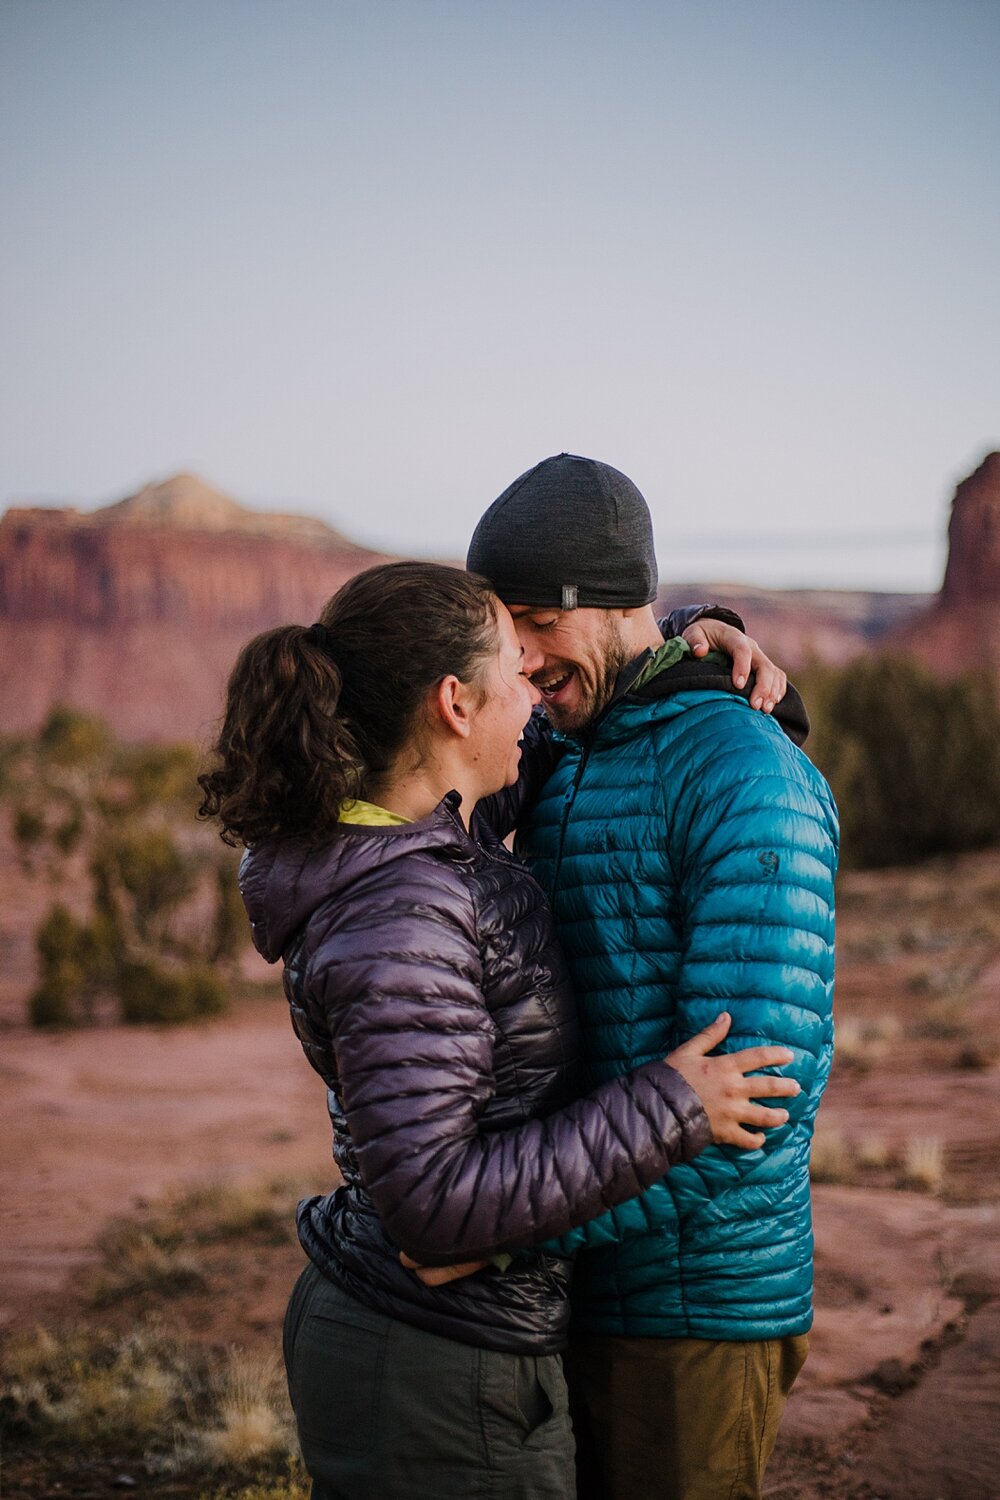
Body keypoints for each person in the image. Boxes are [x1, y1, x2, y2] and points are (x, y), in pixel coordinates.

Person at [197, 560, 801, 1500]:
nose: (532, 681)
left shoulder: (427, 828)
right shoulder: (403, 909)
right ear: (453, 704)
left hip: (456, 1350)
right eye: (511, 666)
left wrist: (682, 638)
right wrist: (671, 1106)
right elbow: (433, 1210)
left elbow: (573, 719)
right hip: (436, 1364)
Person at [465, 454, 839, 1500]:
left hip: (690, 1306)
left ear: (608, 603)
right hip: (563, 1284)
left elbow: (752, 1099)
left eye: (536, 622)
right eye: (504, 632)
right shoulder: (555, 752)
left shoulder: (743, 774)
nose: (521, 661)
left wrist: (495, 1225)